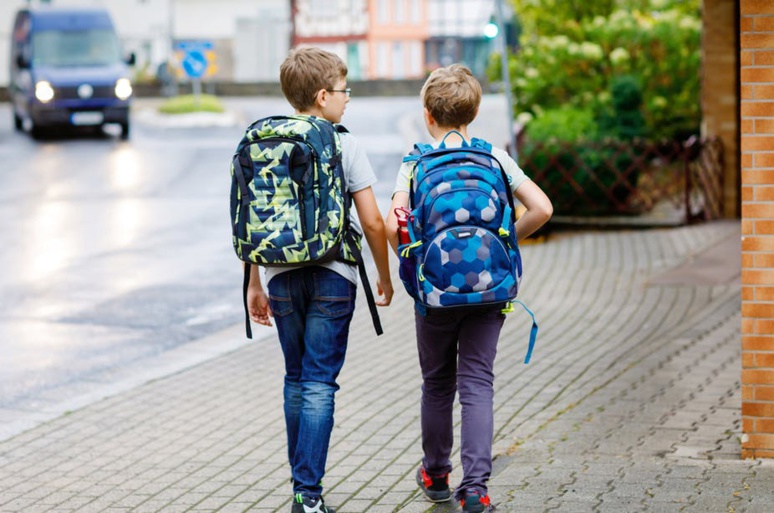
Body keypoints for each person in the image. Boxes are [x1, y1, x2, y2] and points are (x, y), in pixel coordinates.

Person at [385, 64, 553, 513]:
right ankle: (475, 490)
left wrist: (413, 255)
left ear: (428, 115)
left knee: (437, 382)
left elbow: (392, 226)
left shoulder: (415, 164)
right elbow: (542, 207)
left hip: (434, 294)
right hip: (491, 289)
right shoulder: (495, 157)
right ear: (473, 114)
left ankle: (436, 474)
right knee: (478, 381)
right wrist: (504, 240)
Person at [246, 47, 393, 513]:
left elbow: (254, 219)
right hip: (333, 275)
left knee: (296, 379)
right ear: (324, 95)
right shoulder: (343, 142)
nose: (348, 100)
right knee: (319, 383)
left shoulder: (265, 141)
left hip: (280, 277)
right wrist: (384, 275)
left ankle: (301, 487)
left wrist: (254, 284)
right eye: (345, 91)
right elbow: (372, 222)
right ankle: (307, 495)